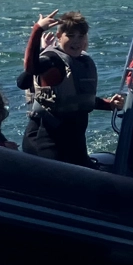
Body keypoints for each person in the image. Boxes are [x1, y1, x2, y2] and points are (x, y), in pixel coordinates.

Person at [17, 10, 123, 166]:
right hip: (49, 143)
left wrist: (109, 104)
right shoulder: (52, 60)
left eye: (81, 36)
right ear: (59, 36)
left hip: (75, 142)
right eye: (71, 36)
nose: (76, 41)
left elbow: (77, 100)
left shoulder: (83, 62)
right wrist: (38, 30)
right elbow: (30, 69)